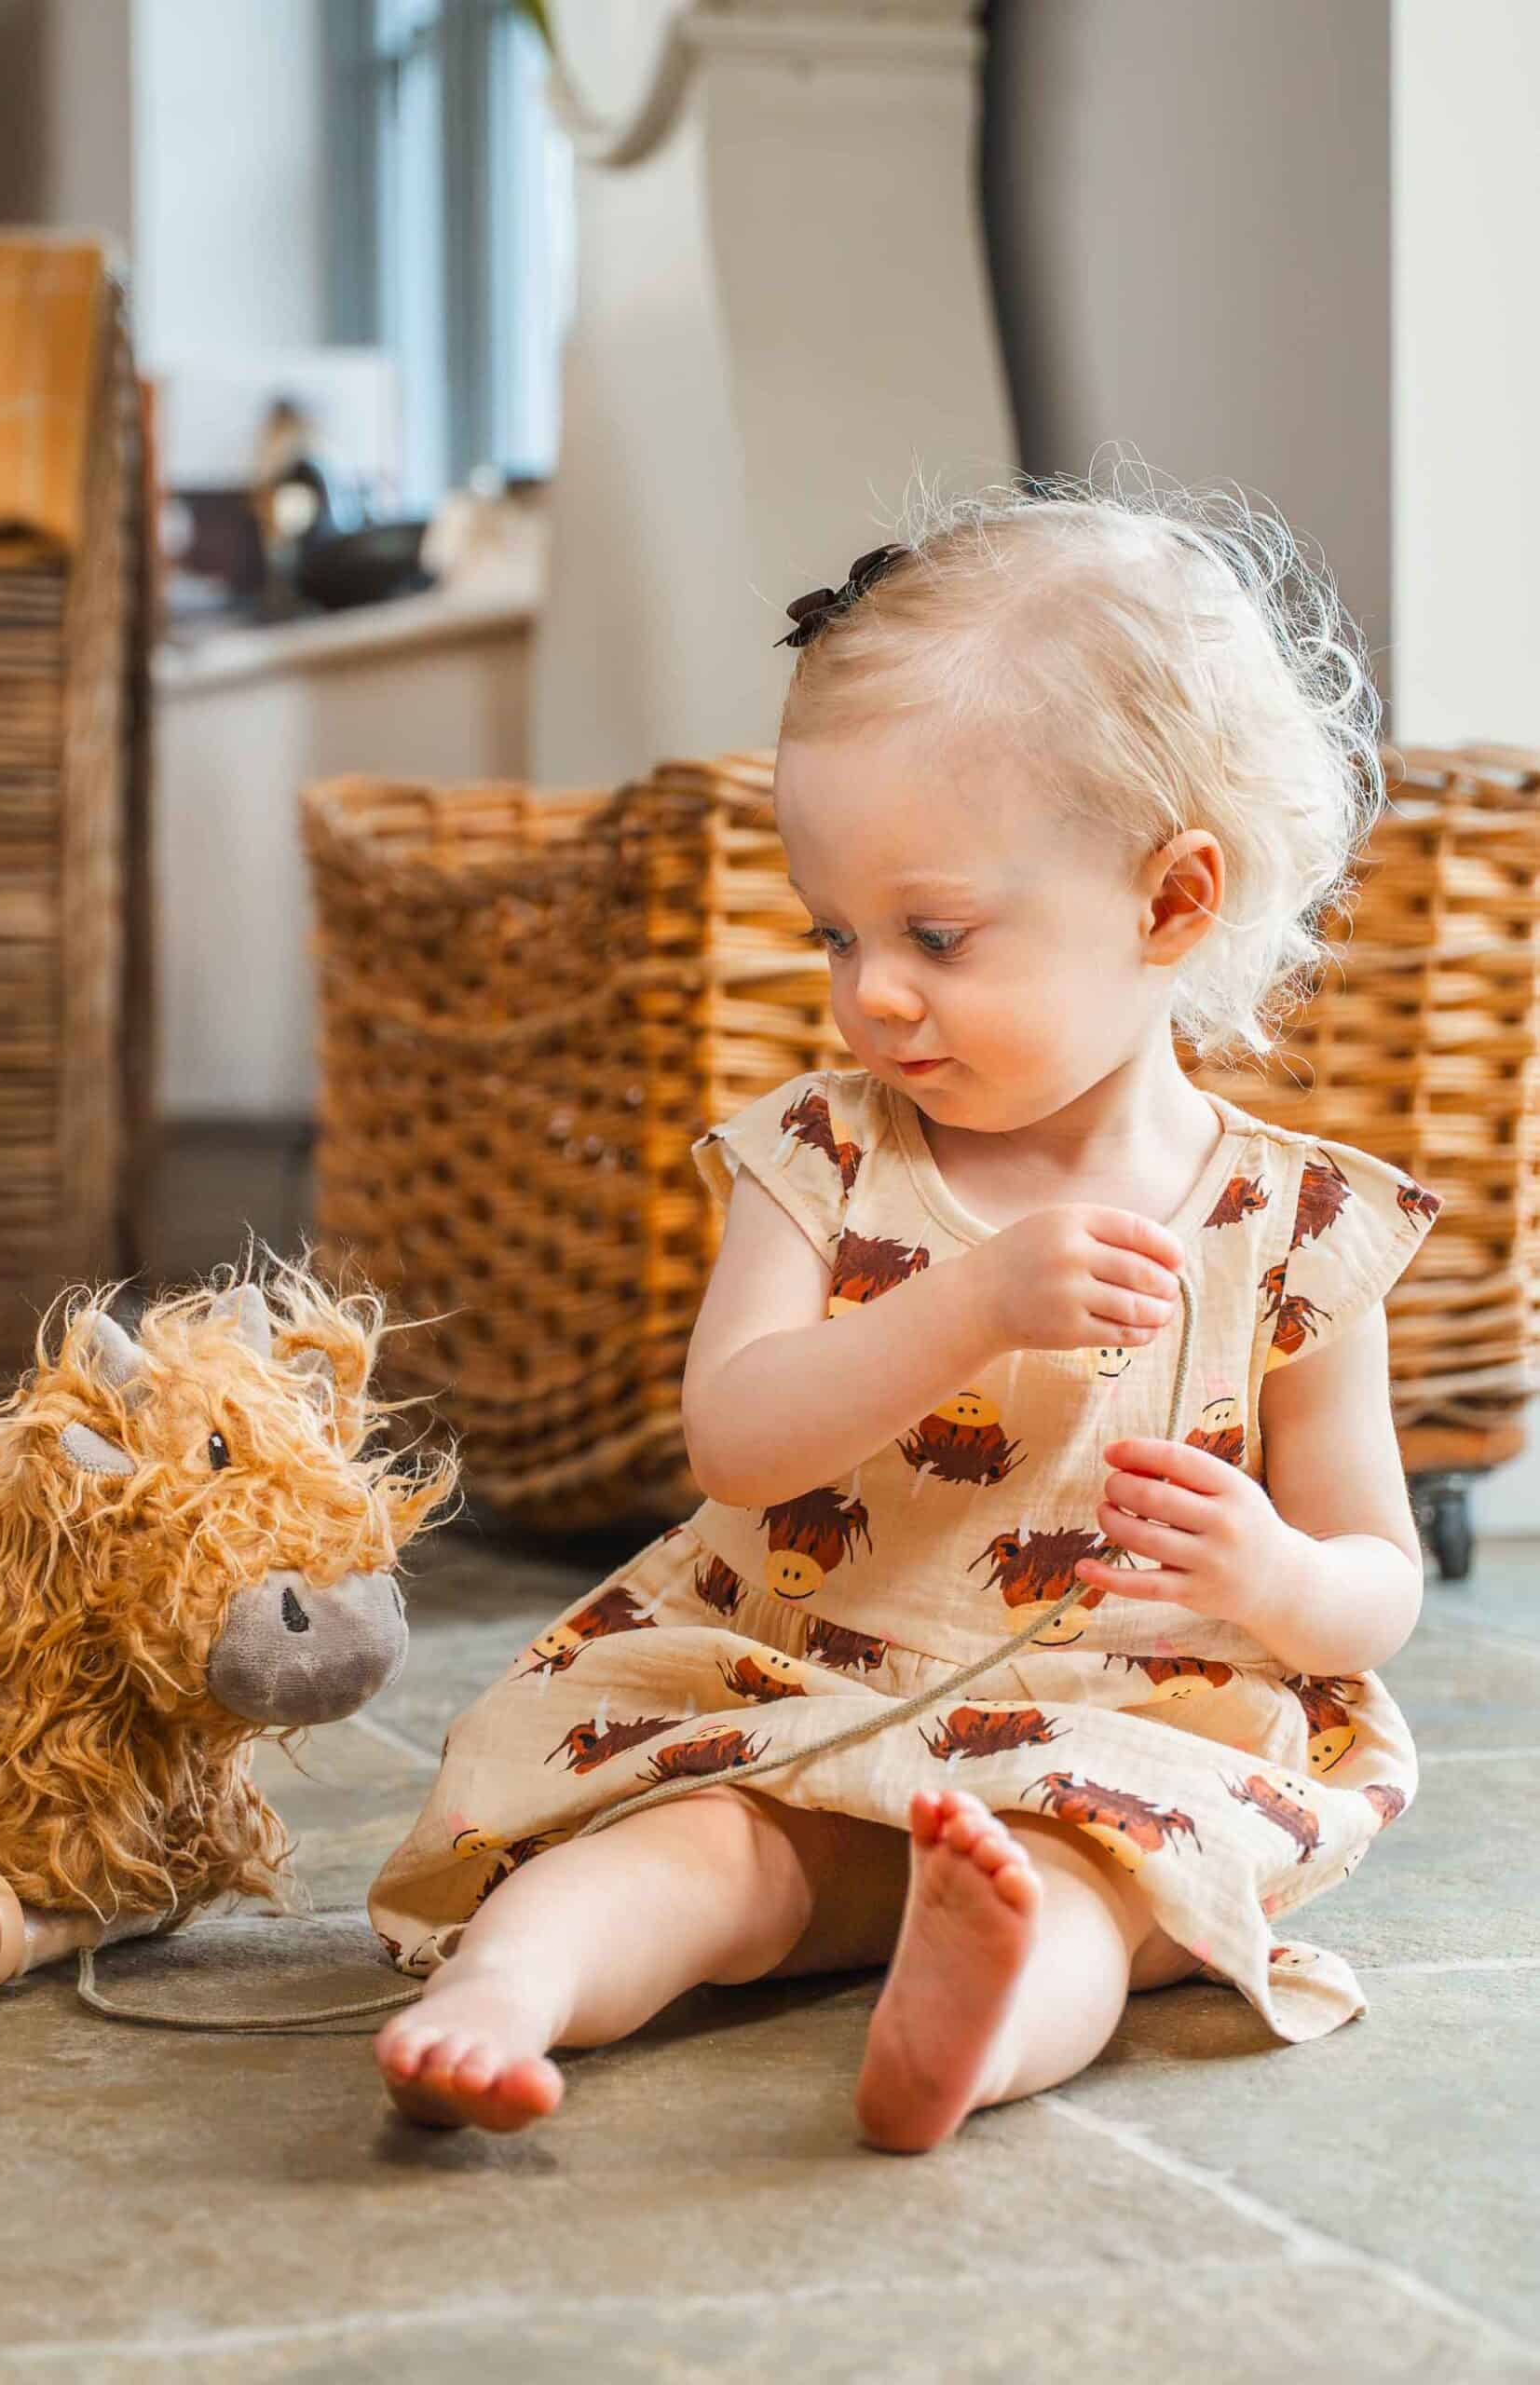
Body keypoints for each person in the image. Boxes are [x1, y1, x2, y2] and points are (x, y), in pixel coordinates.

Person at [366, 462, 1443, 2149]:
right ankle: (506, 1994)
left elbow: (1375, 1577)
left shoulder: (1295, 1226)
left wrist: (1275, 1579)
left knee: (1106, 1895)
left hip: (1112, 1736)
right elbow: (736, 1440)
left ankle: (976, 2026)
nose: (870, 993)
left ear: (1172, 901)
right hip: (795, 1695)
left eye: (935, 936)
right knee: (695, 1857)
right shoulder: (821, 1153)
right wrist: (965, 1306)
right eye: (834, 932)